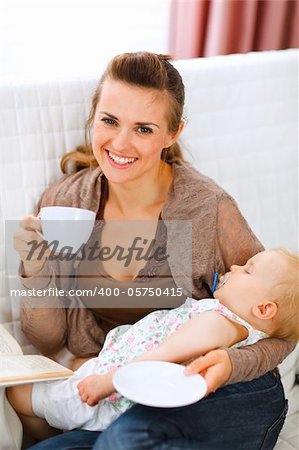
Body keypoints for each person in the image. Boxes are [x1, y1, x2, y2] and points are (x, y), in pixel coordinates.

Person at [13, 52, 295, 449]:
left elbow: (285, 321)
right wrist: (35, 267)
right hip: (120, 397)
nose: (120, 143)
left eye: (143, 129)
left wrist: (231, 363)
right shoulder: (68, 202)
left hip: (221, 389)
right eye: (109, 121)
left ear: (172, 133)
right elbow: (46, 339)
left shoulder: (207, 207)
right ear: (93, 116)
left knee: (129, 440)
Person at [7, 248, 299, 443]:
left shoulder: (218, 323)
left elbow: (164, 356)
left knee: (19, 394)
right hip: (112, 382)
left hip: (112, 395)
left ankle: (49, 435)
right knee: (64, 377)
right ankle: (63, 427)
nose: (234, 265)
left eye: (247, 270)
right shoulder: (227, 323)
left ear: (264, 310)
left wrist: (109, 380)